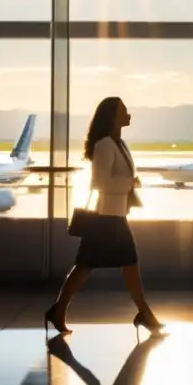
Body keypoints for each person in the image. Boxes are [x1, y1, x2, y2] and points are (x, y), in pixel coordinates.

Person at [45, 97, 163, 335]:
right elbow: (100, 182)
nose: (129, 114)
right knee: (89, 266)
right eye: (124, 111)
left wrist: (129, 183)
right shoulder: (105, 145)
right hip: (106, 219)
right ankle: (59, 310)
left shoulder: (120, 144)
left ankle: (144, 314)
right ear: (112, 116)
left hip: (117, 217)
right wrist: (130, 182)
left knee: (121, 265)